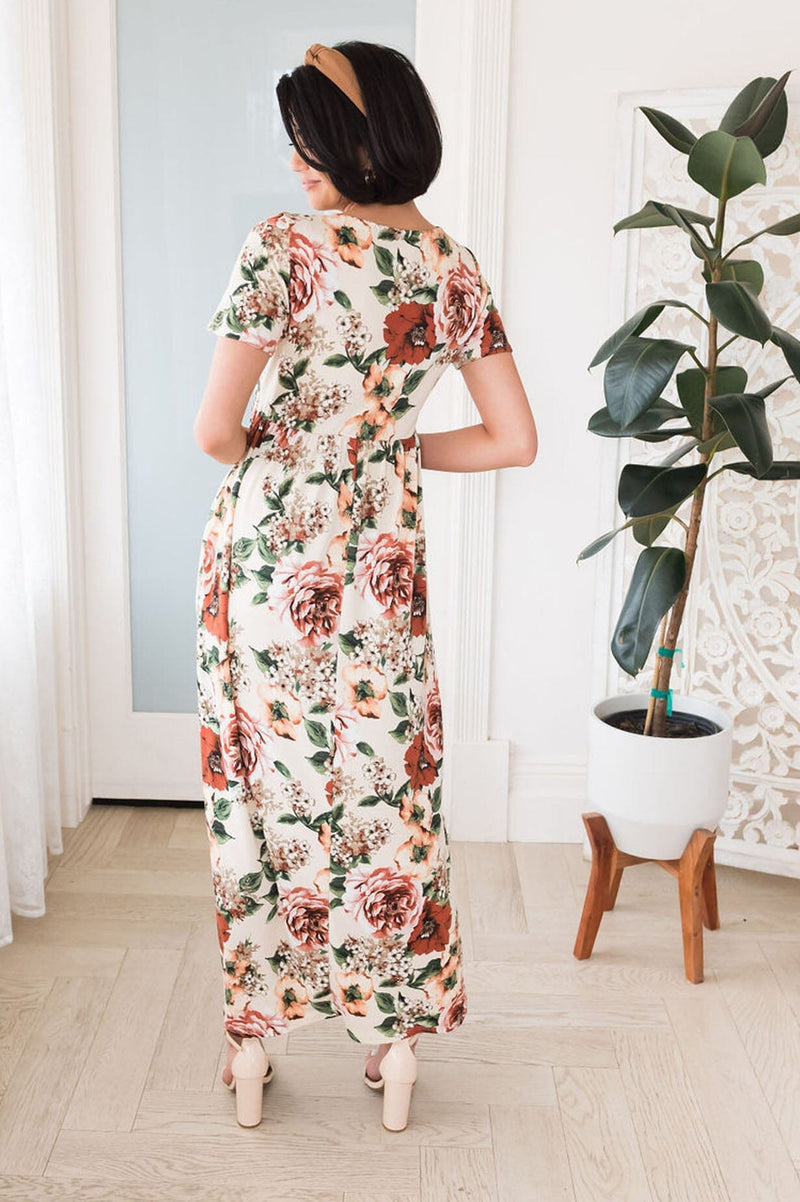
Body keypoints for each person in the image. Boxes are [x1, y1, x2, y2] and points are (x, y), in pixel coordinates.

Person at [193, 39, 537, 1132]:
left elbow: (214, 432)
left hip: (266, 560)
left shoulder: (281, 247)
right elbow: (512, 439)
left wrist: (298, 450)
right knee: (386, 787)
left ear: (361, 136)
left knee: (260, 789)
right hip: (381, 565)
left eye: (311, 138)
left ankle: (255, 1037)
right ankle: (393, 1043)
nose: (296, 159)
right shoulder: (453, 265)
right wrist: (383, 449)